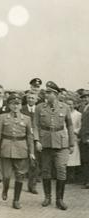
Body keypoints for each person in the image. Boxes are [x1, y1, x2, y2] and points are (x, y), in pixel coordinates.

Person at [34, 81, 74, 210]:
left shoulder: (64, 107)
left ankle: (59, 199)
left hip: (62, 143)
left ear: (55, 94)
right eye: (46, 92)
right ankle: (47, 197)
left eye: (49, 92)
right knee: (46, 170)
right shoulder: (40, 107)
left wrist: (71, 143)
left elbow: (70, 125)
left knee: (61, 170)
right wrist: (37, 140)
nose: (46, 94)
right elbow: (35, 125)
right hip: (45, 143)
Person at [0, 94, 34, 209]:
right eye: (13, 104)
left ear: (21, 105)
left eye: (18, 104)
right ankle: (5, 188)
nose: (15, 106)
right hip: (6, 148)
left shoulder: (27, 119)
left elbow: (29, 137)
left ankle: (16, 200)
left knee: (20, 175)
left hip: (22, 149)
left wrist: (31, 152)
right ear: (9, 105)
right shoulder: (3, 117)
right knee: (6, 175)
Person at [21, 91, 40, 194]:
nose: (31, 100)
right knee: (22, 161)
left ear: (36, 99)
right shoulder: (21, 109)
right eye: (29, 98)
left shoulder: (40, 109)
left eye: (33, 98)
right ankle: (19, 182)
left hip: (36, 139)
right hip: (23, 138)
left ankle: (32, 185)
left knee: (34, 162)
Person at [66, 98, 81, 183]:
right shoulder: (64, 113)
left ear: (74, 105)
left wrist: (74, 131)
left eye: (71, 104)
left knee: (73, 157)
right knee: (66, 157)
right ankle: (66, 176)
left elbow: (80, 126)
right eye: (67, 104)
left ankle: (72, 177)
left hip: (73, 137)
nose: (69, 106)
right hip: (65, 137)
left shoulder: (78, 114)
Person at [78, 90, 89, 189]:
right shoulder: (82, 108)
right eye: (84, 97)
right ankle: (86, 180)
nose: (85, 99)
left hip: (88, 138)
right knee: (85, 160)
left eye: (87, 97)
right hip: (83, 137)